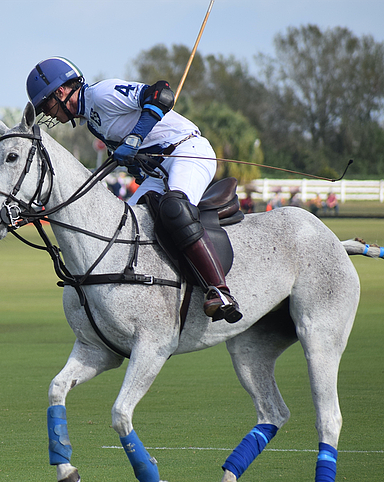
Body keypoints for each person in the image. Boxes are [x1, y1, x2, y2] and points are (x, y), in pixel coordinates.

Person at [26, 57, 242, 323]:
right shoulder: (92, 121)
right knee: (125, 224)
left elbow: (160, 93)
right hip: (158, 169)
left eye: (46, 103)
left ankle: (219, 291)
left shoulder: (101, 94)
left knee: (175, 209)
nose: (47, 113)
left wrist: (136, 137)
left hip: (187, 151)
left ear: (60, 92)